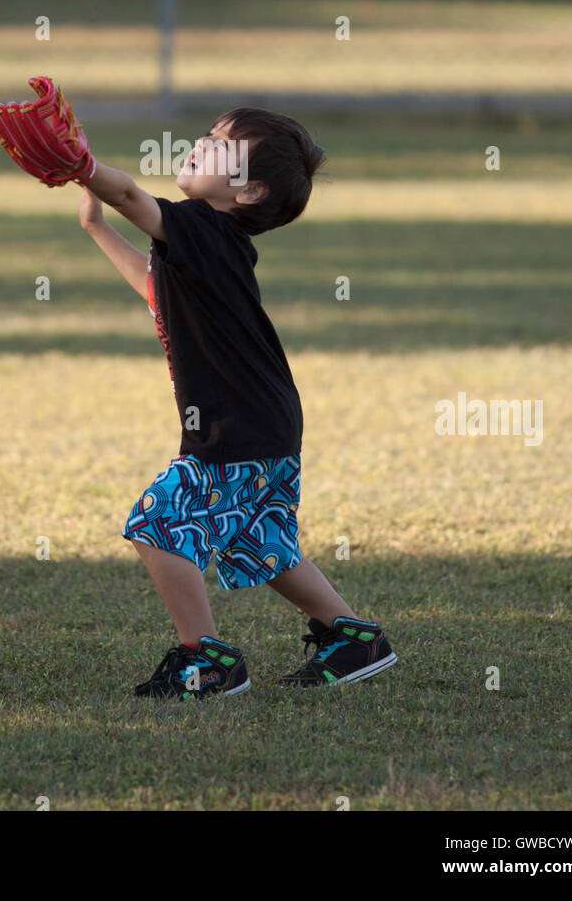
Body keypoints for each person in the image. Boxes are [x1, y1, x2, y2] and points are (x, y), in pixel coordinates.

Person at [79, 107, 396, 699]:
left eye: (223, 145)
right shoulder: (208, 241)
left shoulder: (200, 224)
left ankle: (207, 660)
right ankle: (354, 637)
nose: (202, 143)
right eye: (209, 134)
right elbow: (157, 288)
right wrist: (97, 229)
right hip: (265, 417)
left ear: (247, 191)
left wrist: (81, 165)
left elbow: (126, 192)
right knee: (258, 537)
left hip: (237, 423)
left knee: (158, 522)